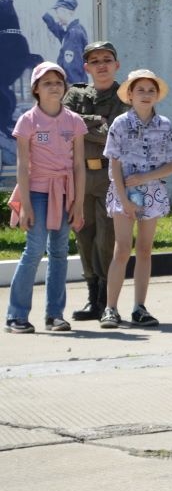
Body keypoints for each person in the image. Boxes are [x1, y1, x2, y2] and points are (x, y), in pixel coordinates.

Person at [6, 62, 86, 333]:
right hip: (37, 193)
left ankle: (55, 315)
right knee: (34, 249)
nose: (54, 86)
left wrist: (78, 202)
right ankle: (16, 315)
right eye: (47, 83)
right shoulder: (27, 121)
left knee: (60, 252)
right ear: (36, 90)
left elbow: (78, 166)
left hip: (65, 193)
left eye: (58, 82)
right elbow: (22, 165)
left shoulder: (74, 121)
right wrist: (26, 205)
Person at [100, 70, 172, 329]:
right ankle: (110, 309)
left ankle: (139, 308)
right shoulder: (120, 124)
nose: (146, 95)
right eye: (140, 90)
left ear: (157, 95)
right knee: (122, 249)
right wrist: (125, 201)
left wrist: (146, 177)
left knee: (144, 249)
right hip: (123, 192)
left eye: (151, 90)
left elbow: (171, 166)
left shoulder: (165, 124)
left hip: (152, 192)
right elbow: (114, 166)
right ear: (129, 95)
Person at [63, 41, 129, 322]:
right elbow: (62, 126)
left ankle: (106, 300)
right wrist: (95, 121)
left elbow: (114, 134)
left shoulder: (125, 97)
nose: (101, 65)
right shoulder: (75, 93)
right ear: (86, 67)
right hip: (79, 175)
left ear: (117, 65)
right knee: (83, 235)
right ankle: (92, 298)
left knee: (106, 238)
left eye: (107, 59)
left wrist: (80, 125)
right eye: (95, 60)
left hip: (110, 176)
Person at [41, 0, 89, 84]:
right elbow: (59, 33)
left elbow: (72, 67)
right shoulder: (74, 29)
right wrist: (46, 17)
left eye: (57, 12)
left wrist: (71, 90)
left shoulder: (73, 34)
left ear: (65, 12)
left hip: (73, 87)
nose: (57, 16)